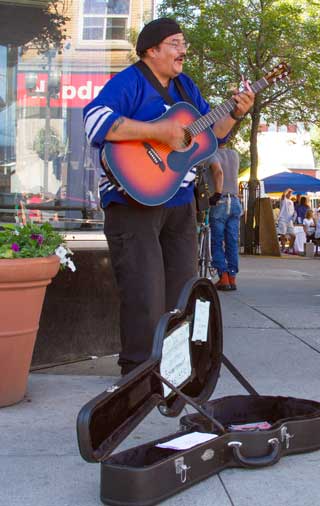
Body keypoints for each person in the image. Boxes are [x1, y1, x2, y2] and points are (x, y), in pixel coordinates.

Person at [82, 18, 254, 375]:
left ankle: (174, 371)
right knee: (143, 293)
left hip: (178, 204)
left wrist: (236, 112)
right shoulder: (128, 82)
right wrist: (159, 131)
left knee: (181, 292)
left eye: (183, 43)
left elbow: (211, 135)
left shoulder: (186, 87)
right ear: (152, 49)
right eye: (175, 43)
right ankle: (138, 374)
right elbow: (95, 121)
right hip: (132, 204)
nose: (183, 51)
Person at [203, 141, 241, 291]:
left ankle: (223, 277)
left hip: (221, 201)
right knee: (232, 241)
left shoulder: (211, 154)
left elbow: (218, 172)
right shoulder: (234, 155)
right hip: (235, 201)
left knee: (217, 241)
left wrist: (216, 194)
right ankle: (232, 277)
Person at [277, 188, 296, 253]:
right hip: (283, 219)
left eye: (291, 193)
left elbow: (292, 211)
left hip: (289, 220)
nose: (290, 194)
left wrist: (293, 216)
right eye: (289, 193)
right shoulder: (283, 200)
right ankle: (283, 248)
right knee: (283, 234)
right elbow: (283, 195)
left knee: (293, 235)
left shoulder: (291, 202)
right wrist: (286, 190)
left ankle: (290, 248)